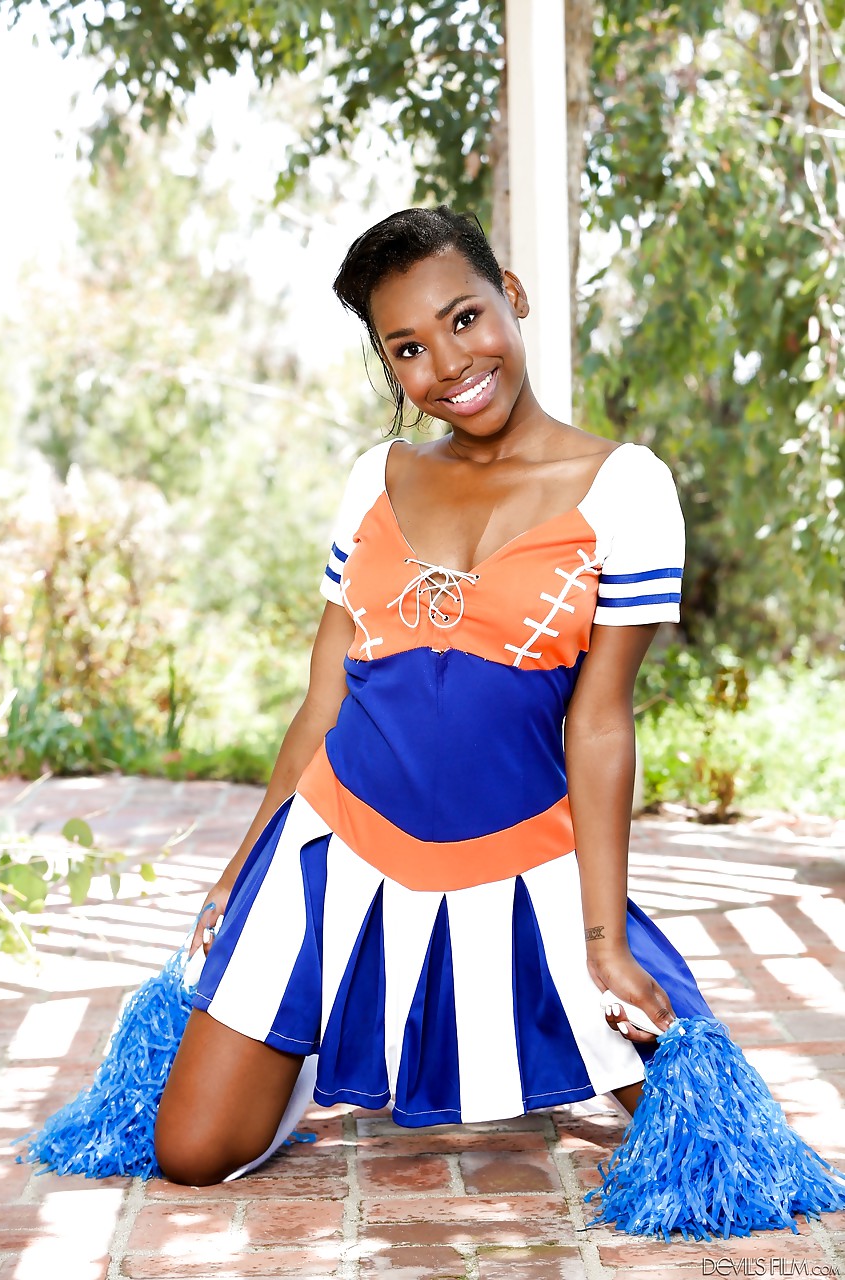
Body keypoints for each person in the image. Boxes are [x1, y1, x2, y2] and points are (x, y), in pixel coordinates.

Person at [154, 205, 710, 1187]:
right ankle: (315, 1024)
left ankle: (536, 1028)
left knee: (704, 1141)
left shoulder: (623, 487)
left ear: (512, 297)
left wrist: (600, 937)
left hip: (524, 855)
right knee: (192, 1152)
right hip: (338, 834)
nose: (448, 364)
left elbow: (598, 722)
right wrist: (241, 868)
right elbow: (323, 699)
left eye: (464, 318)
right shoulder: (377, 476)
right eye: (407, 347)